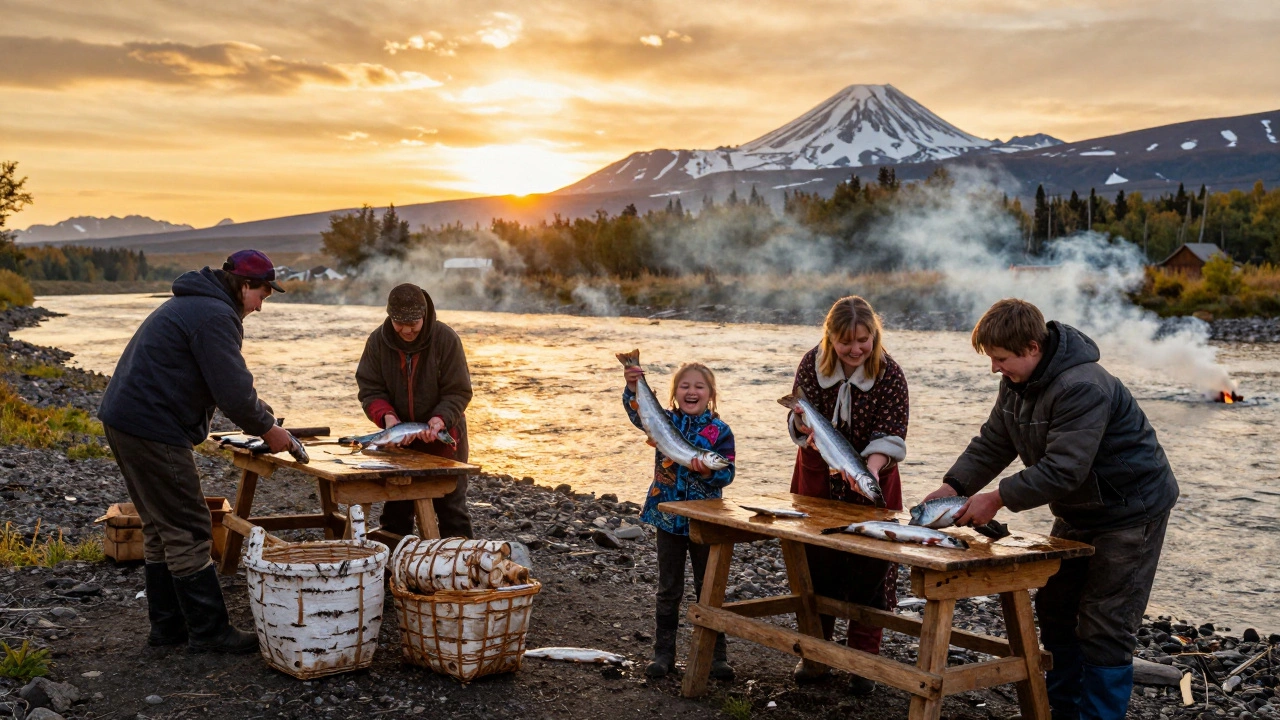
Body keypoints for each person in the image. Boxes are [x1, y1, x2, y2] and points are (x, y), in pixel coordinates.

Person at [923, 298, 1178, 720]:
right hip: (1080, 509)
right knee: (1056, 608)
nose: (994, 368)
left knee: (1106, 623)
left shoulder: (1083, 386)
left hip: (1132, 511)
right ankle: (1064, 709)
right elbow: (993, 443)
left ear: (1032, 348)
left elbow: (1064, 469)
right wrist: (953, 486)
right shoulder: (1017, 383)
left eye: (1001, 359)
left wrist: (996, 498)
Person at [99, 249, 293, 654]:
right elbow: (233, 392)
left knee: (160, 526)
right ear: (245, 285)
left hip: (124, 419)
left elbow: (222, 384)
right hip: (152, 426)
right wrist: (268, 429)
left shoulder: (196, 304)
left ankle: (168, 628)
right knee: (188, 527)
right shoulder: (215, 315)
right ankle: (210, 633)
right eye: (262, 296)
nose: (260, 306)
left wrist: (264, 417)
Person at [785, 295, 909, 696]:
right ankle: (816, 655)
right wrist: (801, 426)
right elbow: (798, 417)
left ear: (874, 334)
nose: (856, 349)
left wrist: (868, 470)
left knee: (870, 572)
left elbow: (891, 432)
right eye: (846, 342)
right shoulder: (811, 364)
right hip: (817, 479)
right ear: (830, 338)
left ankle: (863, 663)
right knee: (816, 567)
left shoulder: (891, 374)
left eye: (863, 340)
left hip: (872, 478)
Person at [622, 360, 736, 682]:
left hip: (705, 521)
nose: (691, 391)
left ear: (711, 394)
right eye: (685, 386)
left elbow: (727, 471)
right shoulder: (665, 420)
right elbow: (638, 415)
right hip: (668, 516)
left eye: (699, 386)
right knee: (669, 587)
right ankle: (663, 654)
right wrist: (633, 387)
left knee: (707, 587)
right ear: (675, 393)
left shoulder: (720, 431)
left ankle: (716, 656)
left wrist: (709, 472)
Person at [355, 283, 474, 539]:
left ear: (424, 316)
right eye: (400, 324)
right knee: (396, 511)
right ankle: (395, 561)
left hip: (444, 439)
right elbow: (370, 390)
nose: (407, 330)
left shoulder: (446, 339)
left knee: (452, 511)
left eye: (413, 324)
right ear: (390, 316)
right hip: (399, 444)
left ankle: (464, 562)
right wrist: (387, 418)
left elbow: (459, 392)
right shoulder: (377, 342)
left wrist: (440, 419)